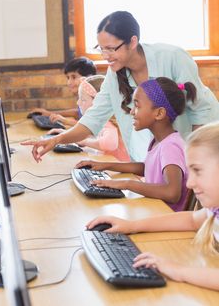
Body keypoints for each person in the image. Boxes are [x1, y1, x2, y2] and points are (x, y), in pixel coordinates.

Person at [22, 11, 219, 162]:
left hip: (198, 146)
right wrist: (56, 139)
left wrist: (194, 160)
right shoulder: (114, 74)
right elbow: (93, 118)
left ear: (132, 42)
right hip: (155, 156)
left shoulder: (173, 57)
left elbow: (200, 112)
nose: (105, 56)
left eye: (111, 48)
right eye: (101, 49)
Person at [86, 122, 219, 291]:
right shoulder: (214, 211)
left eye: (198, 171)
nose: (190, 183)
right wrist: (132, 225)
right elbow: (192, 219)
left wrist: (179, 271)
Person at [76, 77, 196, 211]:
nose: (132, 111)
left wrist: (126, 184)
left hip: (165, 217)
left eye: (137, 106)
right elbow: (147, 168)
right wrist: (104, 166)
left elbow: (172, 193)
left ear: (159, 113)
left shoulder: (170, 146)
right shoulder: (160, 140)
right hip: (154, 210)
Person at [30, 56, 97, 125]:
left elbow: (92, 125)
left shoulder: (94, 99)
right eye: (68, 77)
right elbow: (78, 113)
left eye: (74, 77)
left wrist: (64, 121)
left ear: (88, 78)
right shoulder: (84, 96)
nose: (69, 82)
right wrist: (49, 113)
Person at [76, 75, 129, 161]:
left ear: (98, 103)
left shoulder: (106, 122)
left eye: (83, 99)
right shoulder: (105, 119)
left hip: (121, 172)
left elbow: (110, 144)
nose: (78, 102)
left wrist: (85, 142)